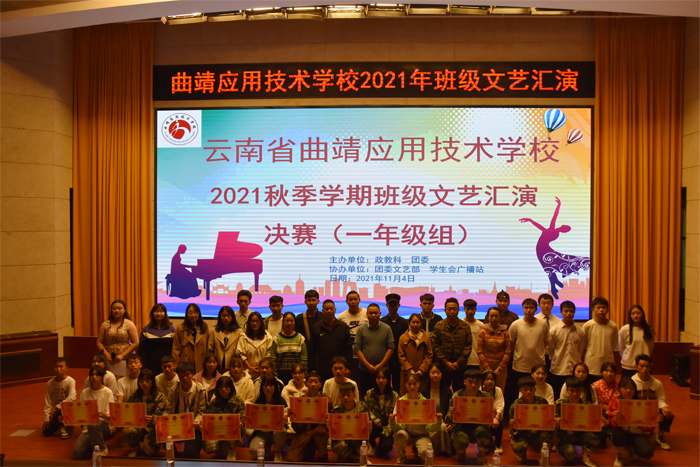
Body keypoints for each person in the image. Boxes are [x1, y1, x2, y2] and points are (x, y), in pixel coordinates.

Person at [519, 197, 591, 300]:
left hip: (542, 250)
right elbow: (551, 219)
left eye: (565, 227)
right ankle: (555, 284)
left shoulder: (553, 230)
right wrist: (558, 205)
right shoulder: (555, 232)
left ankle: (554, 286)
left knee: (549, 268)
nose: (563, 225)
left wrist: (531, 220)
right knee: (550, 267)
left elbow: (554, 217)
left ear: (563, 228)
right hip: (543, 250)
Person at [507, 298, 550, 417]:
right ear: (523, 309)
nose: (528, 310)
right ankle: (518, 417)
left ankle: (536, 417)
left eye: (531, 308)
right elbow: (511, 344)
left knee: (537, 393)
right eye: (526, 307)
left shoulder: (543, 325)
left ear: (536, 309)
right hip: (520, 366)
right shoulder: (516, 324)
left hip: (537, 367)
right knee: (519, 394)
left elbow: (546, 342)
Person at [389, 373, 442, 465]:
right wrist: (393, 422)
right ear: (405, 385)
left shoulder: (426, 403)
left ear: (419, 384)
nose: (412, 387)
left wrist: (438, 421)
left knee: (426, 455)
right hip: (406, 434)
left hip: (422, 435)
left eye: (414, 383)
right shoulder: (401, 402)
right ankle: (401, 457)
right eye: (409, 384)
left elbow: (430, 428)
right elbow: (397, 427)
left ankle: (418, 451)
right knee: (399, 434)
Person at [445, 369, 492, 466]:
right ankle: (460, 453)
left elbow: (489, 422)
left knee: (484, 432)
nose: (473, 385)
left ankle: (481, 457)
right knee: (460, 441)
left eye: (476, 382)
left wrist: (491, 416)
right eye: (470, 382)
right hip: (460, 427)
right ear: (464, 382)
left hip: (478, 427)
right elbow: (447, 419)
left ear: (481, 383)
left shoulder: (485, 397)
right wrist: (452, 415)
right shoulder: (457, 396)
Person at [163, 362, 207, 459]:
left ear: (192, 374)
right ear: (178, 376)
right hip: (177, 426)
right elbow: (168, 410)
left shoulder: (201, 390)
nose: (185, 378)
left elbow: (202, 411)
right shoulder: (173, 390)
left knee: (190, 454)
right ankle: (173, 454)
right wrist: (163, 420)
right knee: (161, 433)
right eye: (182, 376)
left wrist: (197, 421)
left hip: (193, 428)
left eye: (187, 375)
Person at [554, 376, 601, 467]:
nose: (575, 393)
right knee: (570, 455)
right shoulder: (559, 404)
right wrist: (556, 422)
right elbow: (552, 424)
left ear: (581, 390)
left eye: (578, 390)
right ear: (567, 390)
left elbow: (592, 424)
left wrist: (598, 423)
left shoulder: (587, 405)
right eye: (572, 390)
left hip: (581, 434)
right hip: (565, 437)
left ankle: (586, 455)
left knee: (594, 438)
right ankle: (564, 452)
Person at [608, 376, 654, 466]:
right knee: (617, 432)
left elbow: (646, 424)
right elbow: (612, 423)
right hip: (621, 431)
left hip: (636, 432)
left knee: (647, 452)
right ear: (620, 389)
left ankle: (630, 448)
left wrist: (652, 422)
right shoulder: (616, 401)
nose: (628, 391)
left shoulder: (640, 402)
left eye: (631, 388)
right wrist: (616, 418)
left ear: (635, 390)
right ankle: (619, 455)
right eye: (625, 388)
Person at [508, 376, 555, 464]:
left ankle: (544, 457)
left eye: (531, 389)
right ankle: (521, 455)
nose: (528, 392)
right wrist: (513, 426)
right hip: (523, 433)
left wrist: (551, 421)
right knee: (519, 446)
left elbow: (547, 422)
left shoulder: (542, 402)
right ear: (521, 391)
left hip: (538, 432)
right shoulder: (515, 406)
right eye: (525, 390)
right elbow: (513, 432)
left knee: (548, 437)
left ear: (535, 390)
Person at [632, 354, 673, 450]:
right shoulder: (631, 382)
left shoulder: (657, 383)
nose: (645, 369)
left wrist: (665, 407)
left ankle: (659, 436)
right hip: (637, 411)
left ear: (651, 367)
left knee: (667, 414)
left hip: (651, 410)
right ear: (637, 367)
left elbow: (661, 399)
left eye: (647, 366)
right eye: (642, 366)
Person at [287, 371, 330, 463]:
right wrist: (293, 416)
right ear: (306, 385)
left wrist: (327, 421)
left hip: (319, 432)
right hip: (304, 433)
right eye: (310, 382)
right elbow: (296, 428)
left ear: (320, 385)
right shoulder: (300, 401)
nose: (313, 384)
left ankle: (322, 457)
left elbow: (331, 421)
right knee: (292, 459)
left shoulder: (326, 400)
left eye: (316, 382)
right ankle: (309, 454)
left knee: (320, 431)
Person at [123, 369, 167, 457]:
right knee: (128, 430)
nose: (144, 383)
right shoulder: (135, 396)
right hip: (138, 426)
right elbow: (126, 410)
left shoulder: (160, 396)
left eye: (147, 381)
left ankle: (146, 447)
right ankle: (135, 448)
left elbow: (162, 413)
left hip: (152, 428)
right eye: (141, 381)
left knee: (150, 452)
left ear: (152, 382)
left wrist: (153, 418)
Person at [72, 366, 114, 459]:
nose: (94, 377)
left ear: (102, 377)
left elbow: (111, 415)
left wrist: (106, 415)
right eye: (92, 375)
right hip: (88, 428)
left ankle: (102, 449)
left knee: (94, 423)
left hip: (104, 425)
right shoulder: (85, 392)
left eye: (97, 375)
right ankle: (95, 444)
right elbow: (80, 412)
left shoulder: (108, 392)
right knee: (77, 452)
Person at [308, 299, 353, 384]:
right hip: (322, 369)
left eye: (331, 309)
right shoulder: (316, 327)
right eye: (326, 309)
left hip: (340, 368)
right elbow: (311, 350)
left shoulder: (343, 326)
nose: (329, 311)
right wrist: (312, 368)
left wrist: (348, 367)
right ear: (323, 311)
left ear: (335, 310)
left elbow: (348, 349)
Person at [431, 297, 471, 393]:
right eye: (449, 309)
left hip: (460, 367)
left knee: (460, 392)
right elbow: (435, 346)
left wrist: (458, 363)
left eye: (454, 309)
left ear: (458, 310)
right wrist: (445, 362)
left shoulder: (465, 326)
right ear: (445, 310)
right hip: (443, 367)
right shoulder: (439, 326)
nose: (452, 312)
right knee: (443, 392)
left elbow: (468, 347)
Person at [548, 300, 586, 398]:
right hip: (558, 369)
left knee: (574, 396)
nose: (568, 313)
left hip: (574, 371)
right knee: (558, 397)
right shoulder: (554, 330)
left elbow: (580, 351)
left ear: (574, 312)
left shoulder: (580, 331)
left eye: (571, 311)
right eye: (566, 311)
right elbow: (550, 350)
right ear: (561, 312)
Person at [355, 303, 395, 397]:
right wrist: (368, 365)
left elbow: (391, 348)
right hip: (364, 369)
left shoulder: (387, 328)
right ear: (367, 314)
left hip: (383, 371)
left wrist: (380, 365)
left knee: (384, 395)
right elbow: (357, 349)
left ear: (380, 314)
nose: (373, 315)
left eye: (376, 313)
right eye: (371, 313)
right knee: (365, 395)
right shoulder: (361, 329)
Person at [202, 376, 245, 461]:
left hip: (233, 433)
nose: (223, 389)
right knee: (208, 448)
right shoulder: (214, 403)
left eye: (226, 387)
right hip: (218, 432)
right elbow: (209, 419)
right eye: (221, 387)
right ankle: (224, 448)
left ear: (231, 388)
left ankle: (232, 450)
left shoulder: (238, 402)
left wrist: (241, 423)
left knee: (237, 430)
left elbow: (242, 417)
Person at [248, 374, 288, 462]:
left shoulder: (281, 401)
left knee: (282, 431)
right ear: (262, 387)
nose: (268, 388)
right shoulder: (258, 401)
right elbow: (254, 422)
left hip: (276, 434)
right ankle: (266, 450)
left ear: (275, 387)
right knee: (254, 451)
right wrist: (248, 420)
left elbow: (286, 421)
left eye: (271, 385)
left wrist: (284, 421)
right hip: (262, 433)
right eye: (265, 385)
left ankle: (278, 452)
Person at [96, 299, 139, 376]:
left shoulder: (129, 324)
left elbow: (136, 343)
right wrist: (107, 356)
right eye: (114, 309)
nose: (116, 311)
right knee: (110, 378)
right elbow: (99, 342)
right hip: (109, 358)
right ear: (111, 310)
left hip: (127, 357)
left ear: (124, 310)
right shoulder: (105, 324)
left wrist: (122, 355)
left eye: (119, 308)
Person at [363, 366, 398, 458]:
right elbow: (366, 410)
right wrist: (375, 420)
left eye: (383, 378)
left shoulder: (394, 395)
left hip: (387, 425)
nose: (381, 380)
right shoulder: (369, 393)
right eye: (378, 378)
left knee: (385, 448)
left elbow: (396, 414)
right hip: (373, 424)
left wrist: (386, 431)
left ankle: (381, 445)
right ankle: (372, 444)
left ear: (388, 379)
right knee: (366, 422)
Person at [329, 382, 368, 463]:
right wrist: (329, 426)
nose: (346, 398)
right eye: (343, 395)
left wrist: (369, 426)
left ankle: (355, 454)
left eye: (348, 395)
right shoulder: (336, 411)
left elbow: (367, 430)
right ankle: (349, 455)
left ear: (354, 396)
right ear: (340, 397)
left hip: (357, 437)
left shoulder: (362, 408)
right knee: (341, 449)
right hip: (342, 438)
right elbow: (333, 433)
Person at [419, 363, 453, 456]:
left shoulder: (447, 391)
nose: (435, 375)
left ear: (442, 374)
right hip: (427, 423)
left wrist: (449, 422)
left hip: (442, 421)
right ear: (428, 374)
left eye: (438, 373)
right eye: (433, 372)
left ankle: (441, 450)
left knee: (442, 426)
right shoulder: (423, 391)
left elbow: (449, 410)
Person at [583, 296, 619, 381]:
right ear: (593, 310)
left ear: (608, 310)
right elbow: (584, 346)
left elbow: (614, 348)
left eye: (603, 307)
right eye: (598, 307)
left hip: (608, 365)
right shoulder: (588, 325)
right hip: (592, 365)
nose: (601, 310)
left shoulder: (613, 326)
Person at [477, 306, 511, 392]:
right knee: (484, 392)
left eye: (496, 316)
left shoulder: (505, 333)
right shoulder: (482, 332)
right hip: (485, 368)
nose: (494, 318)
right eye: (492, 316)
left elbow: (508, 352)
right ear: (488, 317)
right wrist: (487, 368)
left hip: (500, 370)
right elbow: (480, 352)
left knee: (499, 391)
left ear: (500, 317)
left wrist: (499, 368)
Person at [397, 313, 433, 396]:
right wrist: (410, 371)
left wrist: (421, 370)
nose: (415, 325)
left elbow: (429, 355)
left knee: (422, 396)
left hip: (422, 375)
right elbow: (401, 356)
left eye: (417, 322)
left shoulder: (426, 337)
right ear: (409, 323)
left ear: (421, 323)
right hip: (406, 373)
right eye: (413, 322)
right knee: (406, 397)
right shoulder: (403, 338)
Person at [337, 290, 368, 382]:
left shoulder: (367, 314)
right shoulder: (341, 317)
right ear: (346, 301)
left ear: (359, 300)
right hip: (349, 356)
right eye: (350, 300)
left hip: (365, 355)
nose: (353, 302)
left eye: (355, 299)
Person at [42, 357, 76, 439]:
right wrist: (47, 418)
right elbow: (48, 401)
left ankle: (66, 425)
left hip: (67, 409)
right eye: (56, 366)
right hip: (56, 412)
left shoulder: (70, 381)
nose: (58, 369)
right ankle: (61, 424)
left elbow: (72, 397)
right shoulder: (50, 383)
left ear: (66, 368)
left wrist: (58, 406)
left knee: (62, 412)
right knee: (46, 431)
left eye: (61, 367)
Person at [381, 293, 409, 390]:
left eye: (395, 304)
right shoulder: (382, 322)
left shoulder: (404, 323)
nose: (393, 307)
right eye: (391, 304)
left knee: (398, 386)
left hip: (399, 360)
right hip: (385, 360)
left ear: (398, 305)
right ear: (387, 305)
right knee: (384, 386)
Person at [618, 305, 655, 379]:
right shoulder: (625, 329)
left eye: (638, 313)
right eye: (633, 313)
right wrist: (627, 357)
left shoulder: (649, 330)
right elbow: (621, 348)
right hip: (628, 366)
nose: (635, 316)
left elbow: (650, 348)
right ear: (630, 315)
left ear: (642, 314)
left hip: (644, 367)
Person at [270, 311, 307, 384]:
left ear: (294, 322)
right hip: (280, 377)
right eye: (287, 321)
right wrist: (276, 377)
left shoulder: (301, 338)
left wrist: (302, 376)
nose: (289, 323)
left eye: (291, 321)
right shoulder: (277, 338)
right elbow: (273, 360)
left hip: (297, 377)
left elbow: (304, 361)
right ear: (283, 322)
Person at [172, 303, 210, 373]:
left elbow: (209, 347)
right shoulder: (180, 328)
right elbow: (176, 349)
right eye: (190, 313)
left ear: (199, 314)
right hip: (185, 363)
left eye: (195, 312)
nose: (193, 315)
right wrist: (175, 365)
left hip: (201, 363)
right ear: (186, 314)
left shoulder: (204, 327)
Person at [139, 303, 176, 375]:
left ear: (165, 313)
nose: (158, 314)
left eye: (161, 311)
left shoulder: (171, 329)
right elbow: (142, 350)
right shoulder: (146, 329)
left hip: (167, 365)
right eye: (156, 311)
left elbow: (175, 348)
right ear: (152, 313)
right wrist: (144, 366)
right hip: (150, 364)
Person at [236, 311, 272, 380]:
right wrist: (250, 367)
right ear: (249, 323)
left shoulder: (268, 337)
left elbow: (269, 353)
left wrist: (261, 367)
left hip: (264, 372)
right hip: (248, 373)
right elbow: (241, 355)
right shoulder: (243, 338)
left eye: (257, 321)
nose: (255, 323)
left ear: (261, 322)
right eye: (252, 321)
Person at [207, 305, 243, 374]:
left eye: (228, 316)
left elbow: (240, 352)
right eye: (223, 316)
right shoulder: (214, 331)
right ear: (220, 317)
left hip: (233, 368)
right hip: (217, 367)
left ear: (232, 317)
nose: (226, 318)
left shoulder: (238, 332)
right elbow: (210, 349)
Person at [593, 362, 618, 447]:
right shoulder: (595, 386)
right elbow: (594, 405)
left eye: (612, 371)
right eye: (606, 371)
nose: (609, 374)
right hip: (599, 416)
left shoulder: (618, 386)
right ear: (602, 372)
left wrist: (609, 411)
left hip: (613, 416)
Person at [481, 369, 505, 454]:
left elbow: (500, 405)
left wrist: (496, 418)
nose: (489, 382)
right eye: (487, 379)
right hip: (482, 418)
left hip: (494, 417)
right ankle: (485, 441)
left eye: (492, 379)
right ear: (483, 381)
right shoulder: (479, 390)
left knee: (499, 423)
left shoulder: (498, 390)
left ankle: (498, 443)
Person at [536, 293, 561, 371]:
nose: (546, 306)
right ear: (539, 305)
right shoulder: (534, 320)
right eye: (543, 303)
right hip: (538, 356)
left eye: (548, 303)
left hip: (554, 356)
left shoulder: (559, 322)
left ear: (553, 304)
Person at [463, 299, 484, 372]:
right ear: (464, 309)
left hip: (477, 361)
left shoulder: (481, 325)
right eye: (468, 309)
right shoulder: (460, 324)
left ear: (475, 309)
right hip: (463, 361)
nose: (470, 312)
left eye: (472, 309)